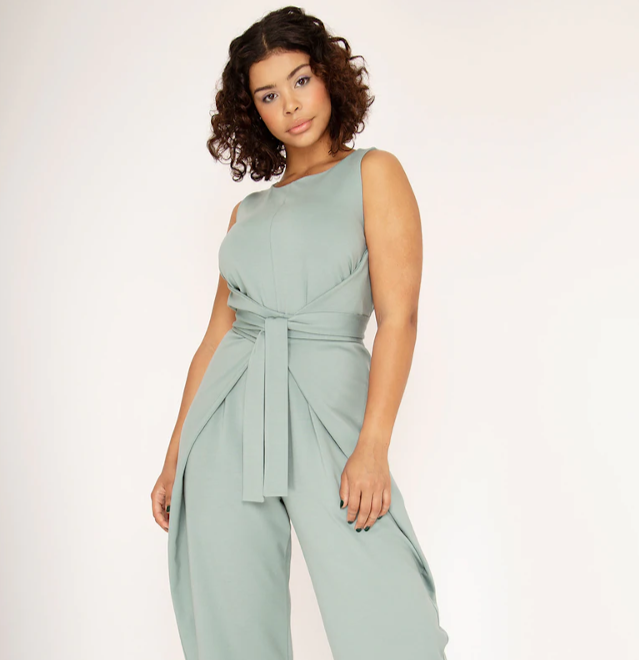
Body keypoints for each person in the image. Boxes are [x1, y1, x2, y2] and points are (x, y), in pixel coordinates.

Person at [151, 6, 450, 659]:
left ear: (328, 78)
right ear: (251, 111)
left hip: (328, 413)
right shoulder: (247, 212)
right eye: (267, 95)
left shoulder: (374, 172)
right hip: (226, 422)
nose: (289, 105)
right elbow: (214, 339)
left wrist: (373, 446)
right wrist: (175, 456)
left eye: (300, 80)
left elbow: (400, 318)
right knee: (233, 625)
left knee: (391, 624)